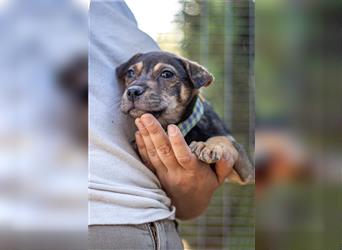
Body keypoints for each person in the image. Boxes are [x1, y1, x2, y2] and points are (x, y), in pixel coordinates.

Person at [88, 1, 240, 249]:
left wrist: (198, 172)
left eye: (165, 75)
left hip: (139, 218)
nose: (136, 86)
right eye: (131, 75)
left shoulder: (115, 12)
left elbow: (192, 203)